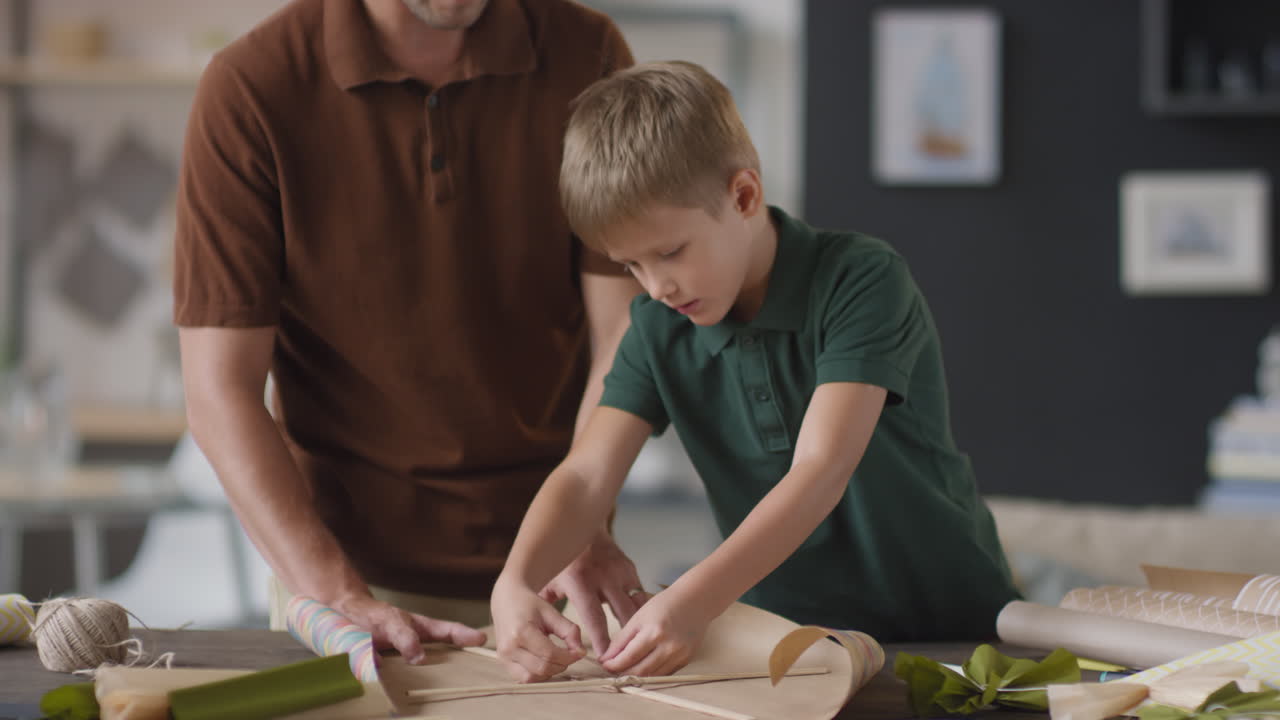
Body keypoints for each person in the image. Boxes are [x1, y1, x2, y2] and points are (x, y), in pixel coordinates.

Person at [490, 60, 1021, 683]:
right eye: (629, 265)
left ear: (743, 196)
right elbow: (584, 476)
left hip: (954, 633)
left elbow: (820, 470)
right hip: (792, 650)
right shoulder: (656, 328)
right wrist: (514, 581)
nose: (656, 285)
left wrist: (689, 602)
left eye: (669, 252)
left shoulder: (862, 279)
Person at [172, 0, 647, 664]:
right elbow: (219, 393)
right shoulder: (251, 88)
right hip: (353, 584)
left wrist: (580, 524)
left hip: (557, 578)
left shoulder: (586, 51)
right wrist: (339, 595)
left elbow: (624, 329)